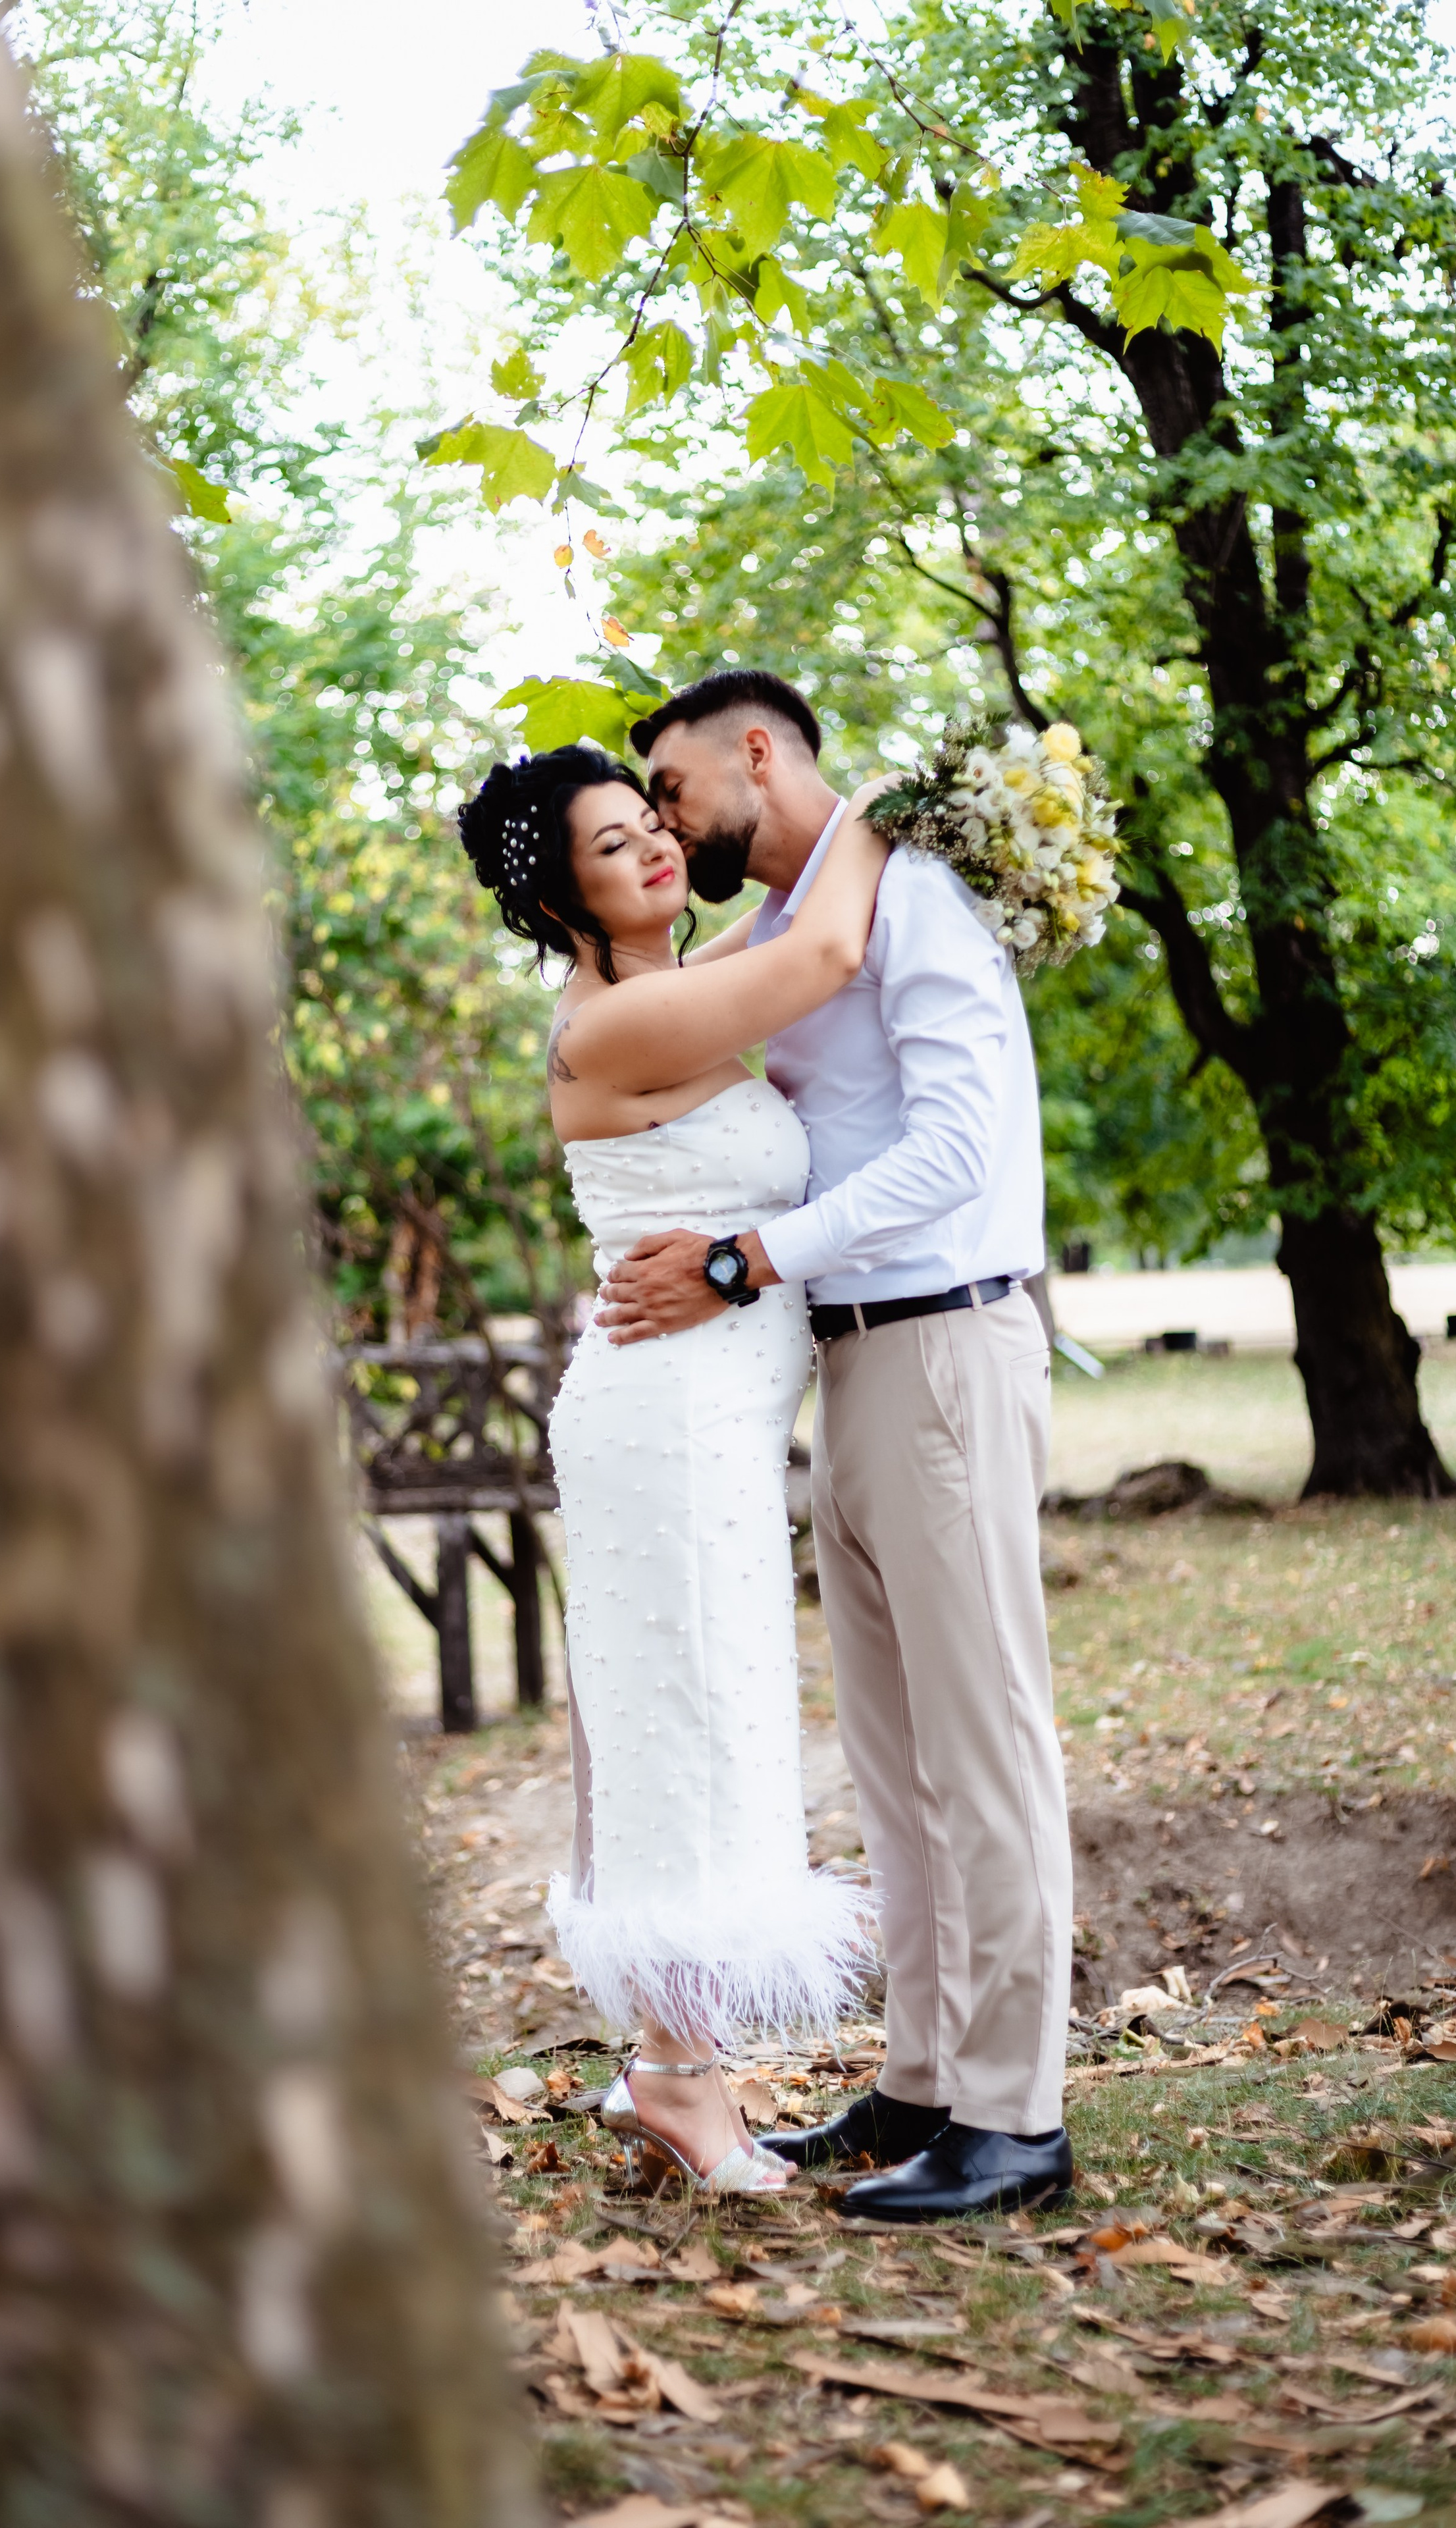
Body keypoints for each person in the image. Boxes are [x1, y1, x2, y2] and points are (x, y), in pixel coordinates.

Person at [599, 668, 1074, 2222]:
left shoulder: (913, 892)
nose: (665, 825)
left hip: (945, 1348)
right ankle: (922, 2082)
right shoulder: (795, 922)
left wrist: (744, 1260)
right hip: (850, 1368)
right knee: (895, 1764)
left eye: (671, 790)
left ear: (755, 751)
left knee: (983, 1748)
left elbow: (955, 1152)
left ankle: (1013, 2118)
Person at [457, 742, 890, 2194]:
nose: (653, 847)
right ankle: (678, 2081)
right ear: (561, 902)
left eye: (651, 821)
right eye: (612, 845)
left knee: (704, 1727)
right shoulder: (616, 1026)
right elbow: (825, 950)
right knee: (687, 1739)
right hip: (665, 1429)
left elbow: (788, 946)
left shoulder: (666, 994)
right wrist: (895, 804)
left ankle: (671, 2063)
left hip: (705, 1424)